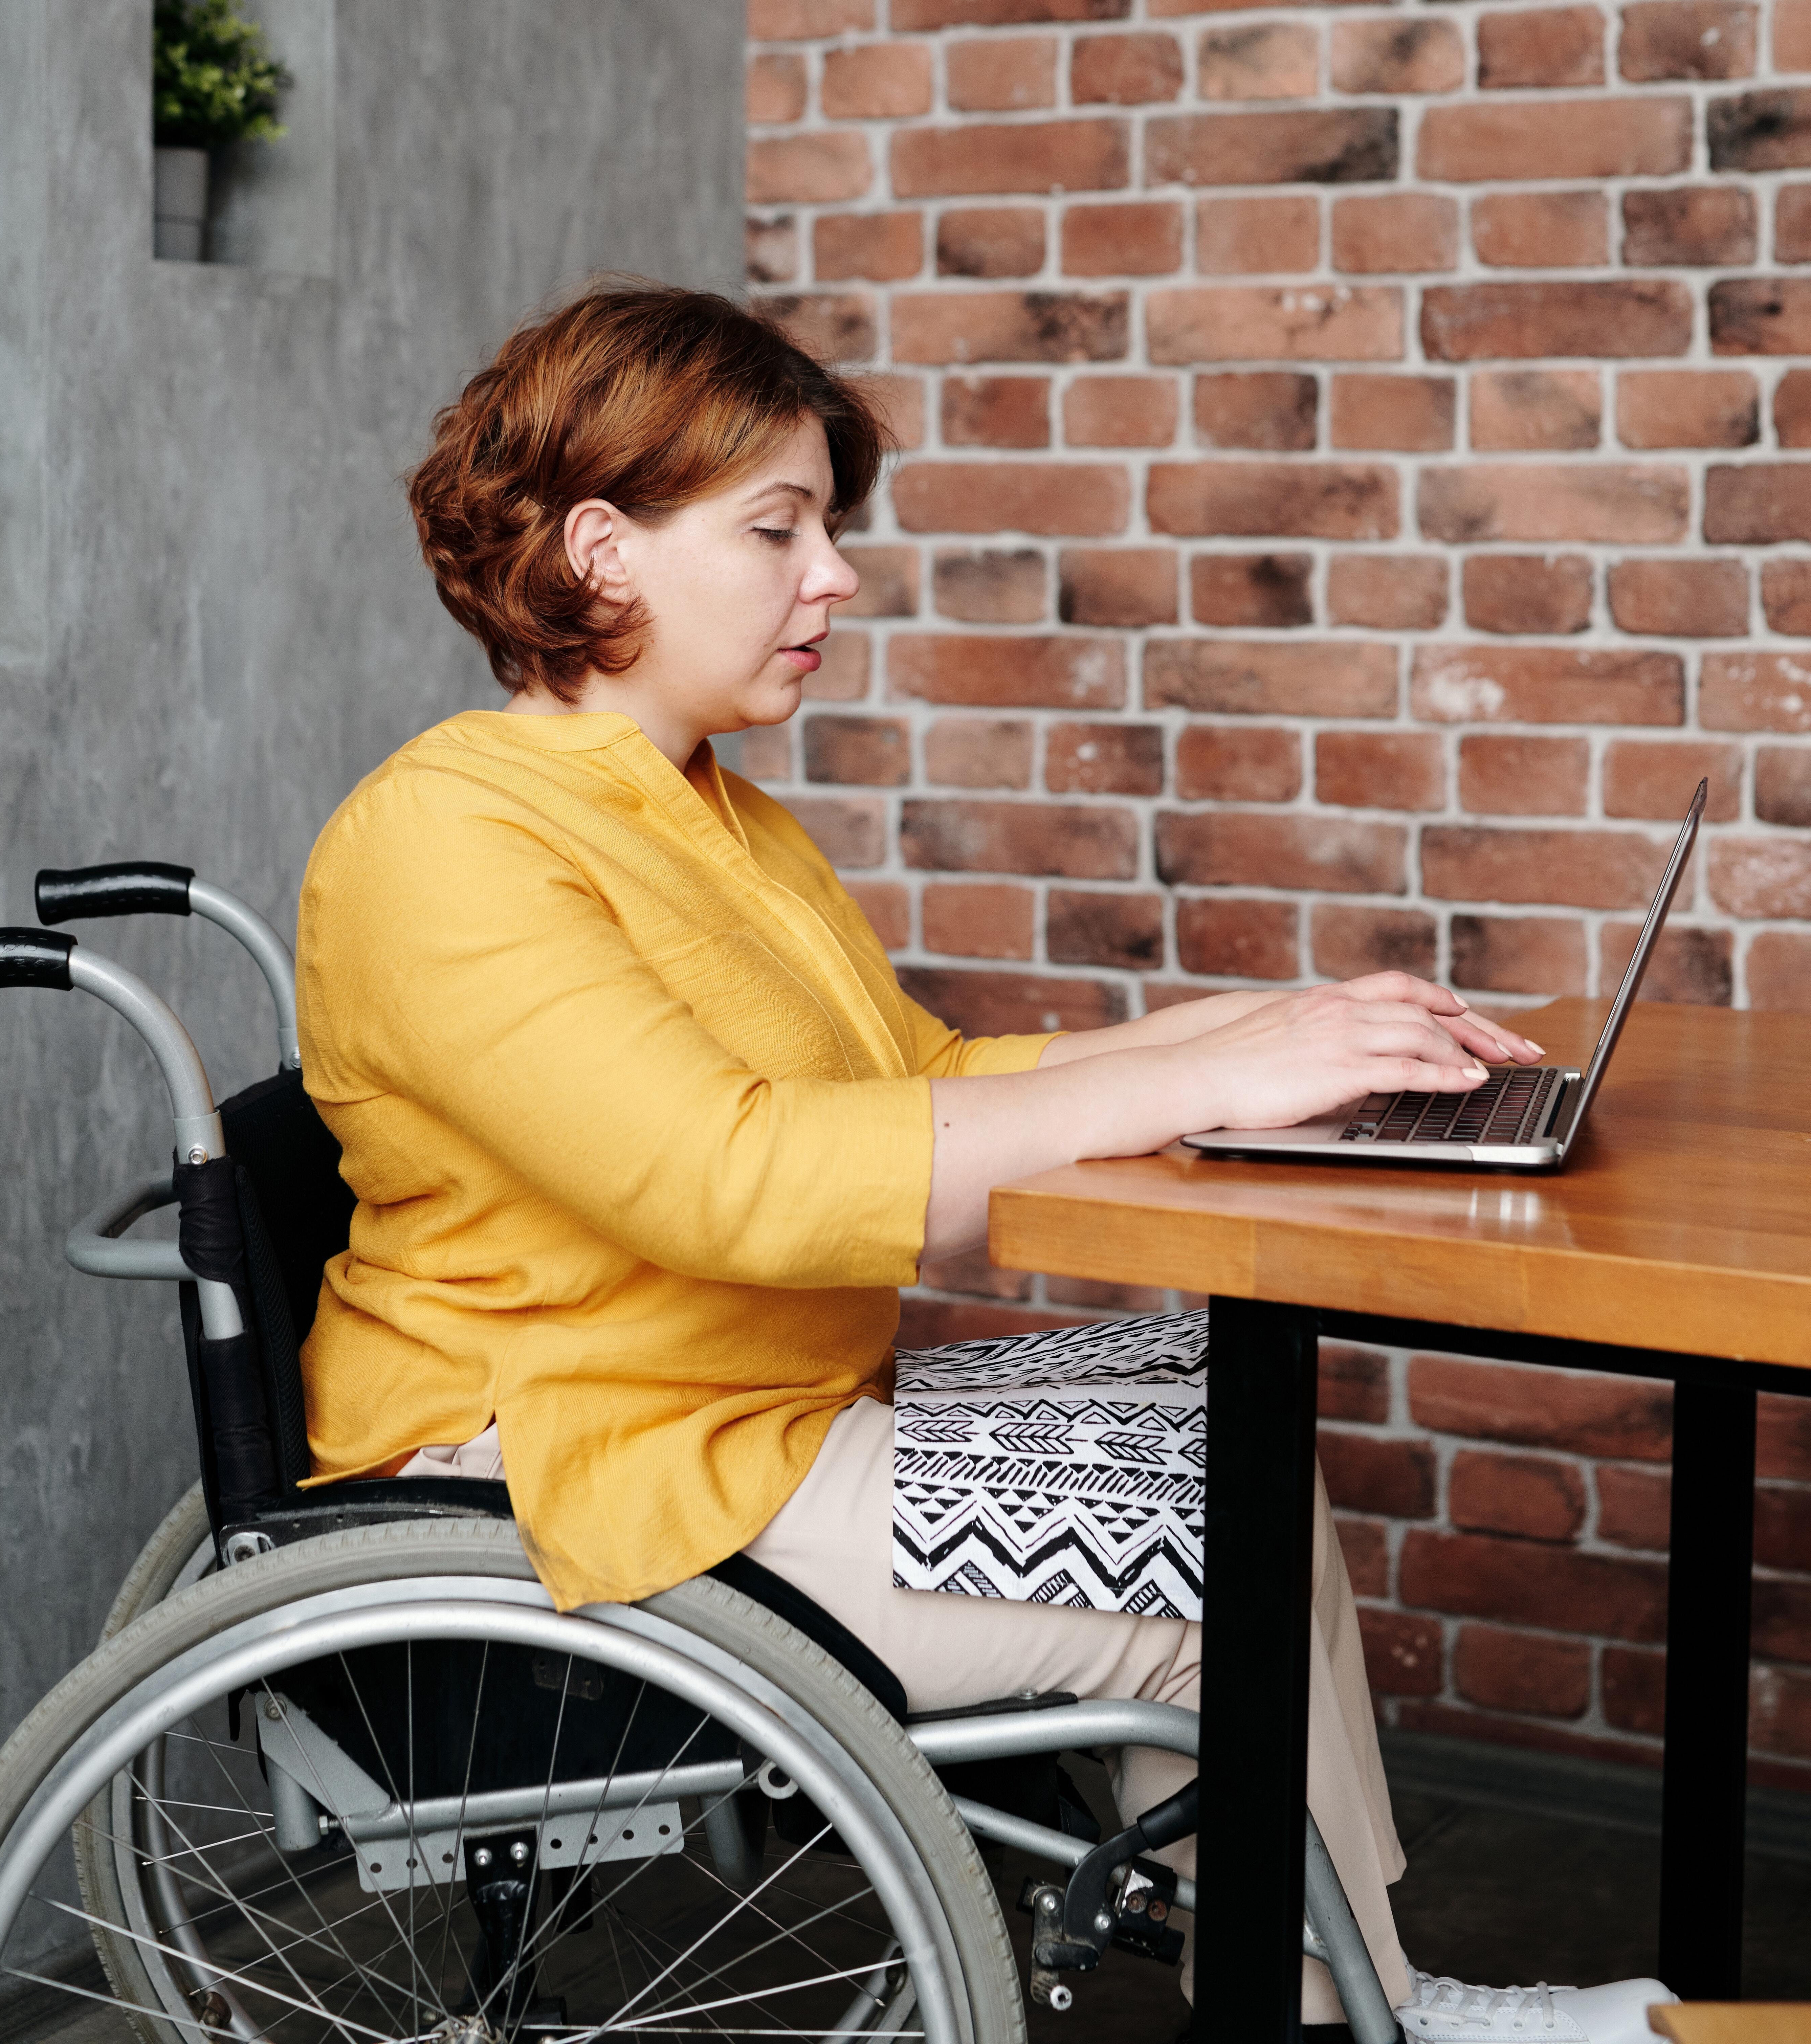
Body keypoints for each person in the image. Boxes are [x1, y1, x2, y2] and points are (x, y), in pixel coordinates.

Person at [294, 280, 1673, 2041]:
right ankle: (1355, 2013)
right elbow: (738, 1178)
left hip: (747, 1421)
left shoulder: (713, 812)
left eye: (828, 531)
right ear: (603, 552)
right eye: (780, 529)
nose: (837, 577)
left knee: (1222, 1406)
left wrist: (1268, 1036)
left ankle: (1346, 1990)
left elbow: (923, 1077)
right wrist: (1234, 1064)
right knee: (1213, 1537)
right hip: (600, 1466)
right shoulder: (446, 839)